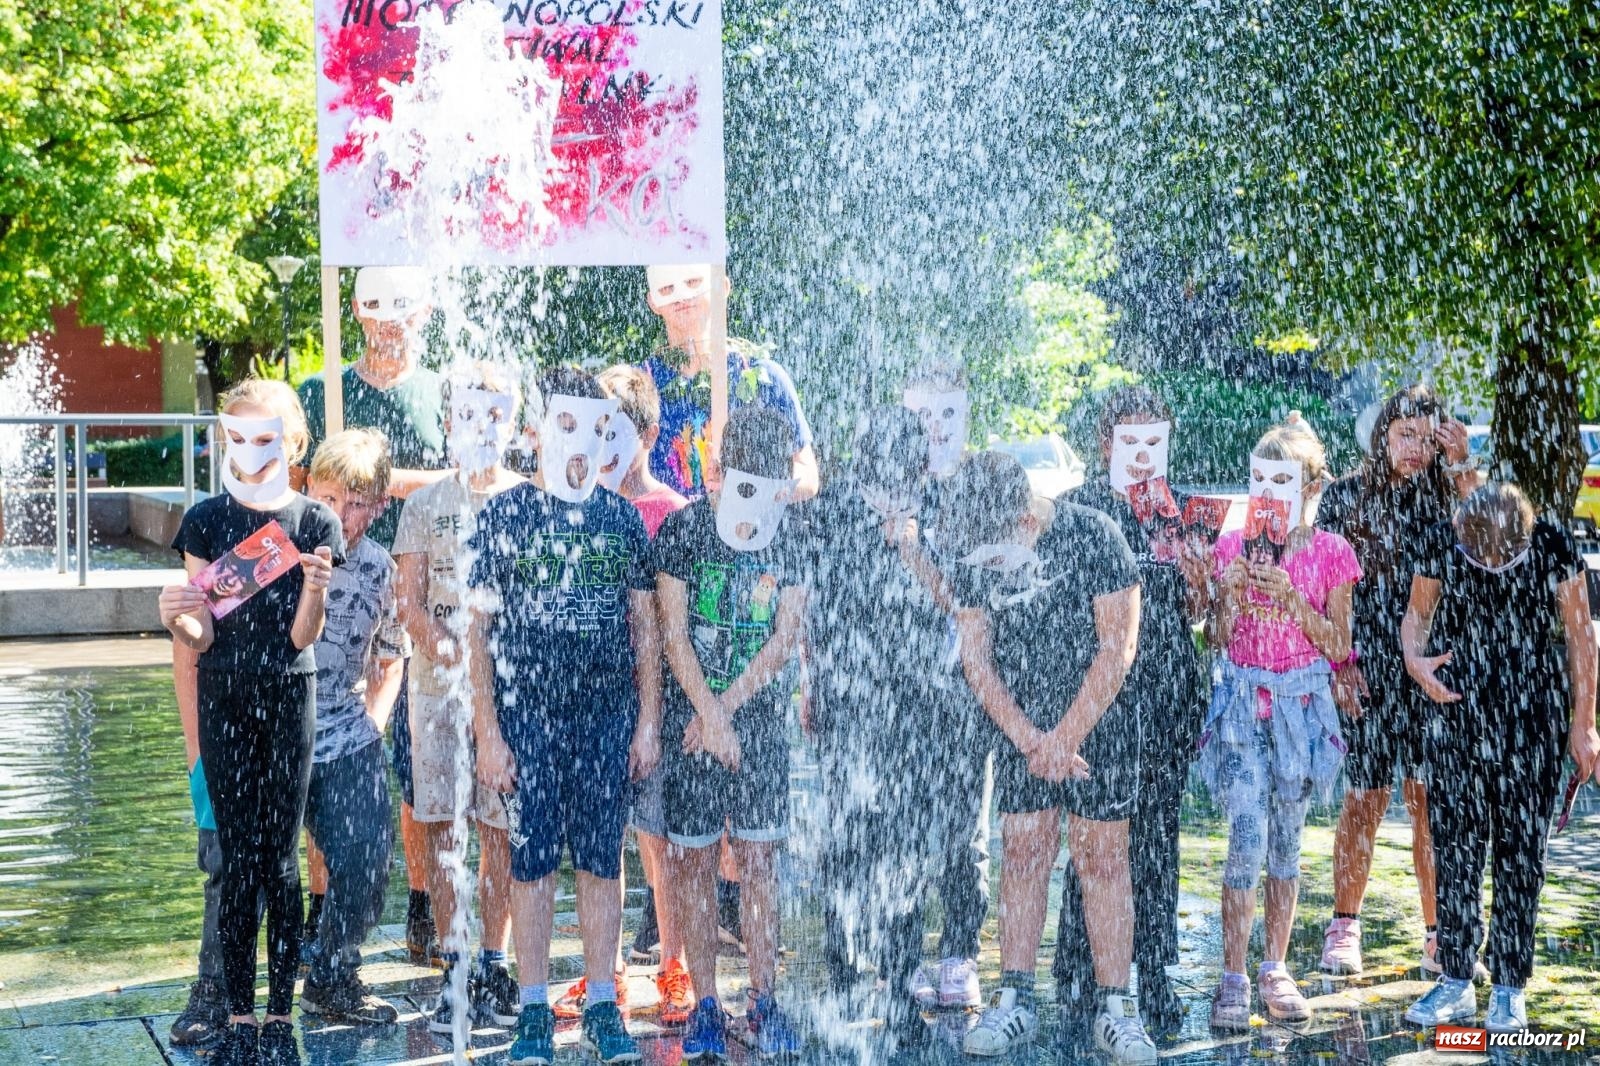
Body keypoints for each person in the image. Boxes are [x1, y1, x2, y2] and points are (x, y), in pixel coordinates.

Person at [468, 366, 662, 1066]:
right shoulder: (504, 515)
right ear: (538, 430)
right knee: (533, 857)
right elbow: (477, 633)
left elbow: (646, 629)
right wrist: (488, 733)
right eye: (569, 424)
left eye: (598, 428)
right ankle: (532, 1010)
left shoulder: (620, 519)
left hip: (606, 713)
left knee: (603, 856)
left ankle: (603, 1004)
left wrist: (647, 721)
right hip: (528, 713)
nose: (583, 442)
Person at [936, 451, 1155, 1065]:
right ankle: (1015, 998)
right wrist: (1032, 740)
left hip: (1101, 721)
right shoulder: (975, 542)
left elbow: (1118, 647)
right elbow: (976, 659)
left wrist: (1066, 737)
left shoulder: (1095, 536)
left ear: (1026, 523)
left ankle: (1117, 1009)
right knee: (1024, 851)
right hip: (1023, 730)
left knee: (1102, 858)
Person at [159, 379, 343, 1066]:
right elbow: (201, 634)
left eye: (267, 437)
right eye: (237, 436)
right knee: (238, 862)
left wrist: (316, 590)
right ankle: (238, 1015)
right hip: (224, 697)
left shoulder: (314, 521)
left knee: (281, 861)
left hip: (291, 694)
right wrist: (175, 616)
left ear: (294, 443)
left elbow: (301, 638)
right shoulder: (205, 521)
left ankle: (278, 1017)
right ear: (222, 439)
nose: (251, 450)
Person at [1401, 483, 1599, 1032]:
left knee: (1521, 853)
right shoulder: (1442, 540)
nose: (1488, 567)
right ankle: (1455, 979)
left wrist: (1584, 724)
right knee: (1455, 847)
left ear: (1521, 541)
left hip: (1533, 714)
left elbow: (1581, 636)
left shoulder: (1553, 544)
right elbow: (1416, 616)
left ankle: (1510, 986)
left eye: (1498, 561)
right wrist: (1415, 661)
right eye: (1478, 558)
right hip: (1456, 706)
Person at [297, 265, 453, 965]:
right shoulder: (321, 391)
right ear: (357, 312)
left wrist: (381, 483)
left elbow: (466, 477)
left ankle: (421, 907)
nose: (391, 322)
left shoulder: (441, 392)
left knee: (418, 763)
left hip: (414, 591)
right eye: (377, 307)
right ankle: (322, 909)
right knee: (322, 757)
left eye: (404, 307)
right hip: (329, 594)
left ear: (424, 312)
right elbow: (299, 479)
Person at [1054, 387, 1210, 1038]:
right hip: (1100, 693)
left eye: (1155, 440)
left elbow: (1198, 614)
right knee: (1095, 833)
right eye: (1130, 440)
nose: (1143, 455)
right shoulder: (1080, 508)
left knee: (1157, 835)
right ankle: (1078, 971)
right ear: (1105, 444)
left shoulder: (1182, 512)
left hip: (1168, 690)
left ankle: (1154, 971)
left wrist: (1200, 575)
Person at [653, 406, 808, 1061]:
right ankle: (707, 1004)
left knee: (760, 862)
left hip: (757, 724)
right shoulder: (686, 530)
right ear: (721, 470)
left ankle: (764, 999)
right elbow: (673, 633)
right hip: (691, 722)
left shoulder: (791, 535)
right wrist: (711, 716)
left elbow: (784, 637)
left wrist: (726, 712)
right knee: (691, 861)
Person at [802, 406, 956, 1051]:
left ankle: (898, 989)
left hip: (917, 706)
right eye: (884, 476)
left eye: (907, 474)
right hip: (846, 699)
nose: (896, 487)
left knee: (906, 850)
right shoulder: (835, 509)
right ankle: (843, 978)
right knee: (846, 839)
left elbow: (960, 604)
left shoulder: (938, 511)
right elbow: (811, 602)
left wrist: (914, 549)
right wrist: (809, 680)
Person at [1314, 385, 1482, 976]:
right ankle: (1344, 926)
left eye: (1427, 439)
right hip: (1365, 665)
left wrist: (1462, 464)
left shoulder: (1447, 496)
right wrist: (1338, 664)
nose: (1414, 448)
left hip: (1432, 665)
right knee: (1364, 797)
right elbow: (1324, 588)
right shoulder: (1344, 497)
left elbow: (1492, 540)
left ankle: (1440, 935)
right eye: (1404, 434)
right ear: (1382, 433)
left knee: (1428, 801)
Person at [1201, 422, 1359, 1031]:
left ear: (1310, 489)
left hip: (1300, 708)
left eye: (1281, 484)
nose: (1267, 495)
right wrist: (1230, 596)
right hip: (1243, 704)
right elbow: (1215, 638)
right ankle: (1233, 975)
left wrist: (1293, 599)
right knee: (1246, 835)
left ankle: (1275, 965)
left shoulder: (1331, 553)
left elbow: (1339, 644)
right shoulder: (1232, 546)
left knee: (1287, 841)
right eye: (1259, 482)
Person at [393, 365, 524, 1037]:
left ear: (515, 423)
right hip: (436, 690)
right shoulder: (424, 505)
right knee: (443, 823)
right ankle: (455, 964)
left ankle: (495, 960)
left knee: (500, 826)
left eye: (496, 414)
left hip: (511, 691)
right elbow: (408, 602)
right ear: (449, 422)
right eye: (470, 414)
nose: (483, 427)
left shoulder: (528, 499)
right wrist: (449, 649)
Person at [595, 363, 694, 1026]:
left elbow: (673, 627)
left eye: (618, 431)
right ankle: (605, 973)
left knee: (660, 839)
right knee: (603, 840)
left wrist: (656, 718)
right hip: (598, 696)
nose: (604, 444)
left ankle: (674, 964)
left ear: (650, 435)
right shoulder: (580, 509)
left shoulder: (672, 514)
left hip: (658, 699)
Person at [298, 429, 406, 1025]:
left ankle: (333, 976)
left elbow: (391, 656)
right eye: (330, 498)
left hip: (345, 731)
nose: (341, 515)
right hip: (276, 732)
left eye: (358, 503)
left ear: (381, 506)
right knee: (249, 870)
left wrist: (374, 725)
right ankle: (227, 996)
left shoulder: (380, 569)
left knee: (367, 855)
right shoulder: (278, 546)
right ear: (309, 489)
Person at [901, 371, 988, 1014]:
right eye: (924, 414)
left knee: (962, 829)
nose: (935, 426)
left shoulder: (978, 491)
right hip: (902, 685)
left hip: (963, 683)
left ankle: (960, 952)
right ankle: (904, 955)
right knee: (903, 821)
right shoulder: (896, 486)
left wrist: (915, 556)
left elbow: (968, 600)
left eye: (947, 413)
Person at [641, 264, 819, 501]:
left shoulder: (765, 380)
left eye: (693, 282)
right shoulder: (638, 387)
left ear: (722, 286)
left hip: (747, 523)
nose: (681, 297)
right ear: (653, 301)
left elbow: (807, 475)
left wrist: (750, 489)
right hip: (665, 525)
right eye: (666, 287)